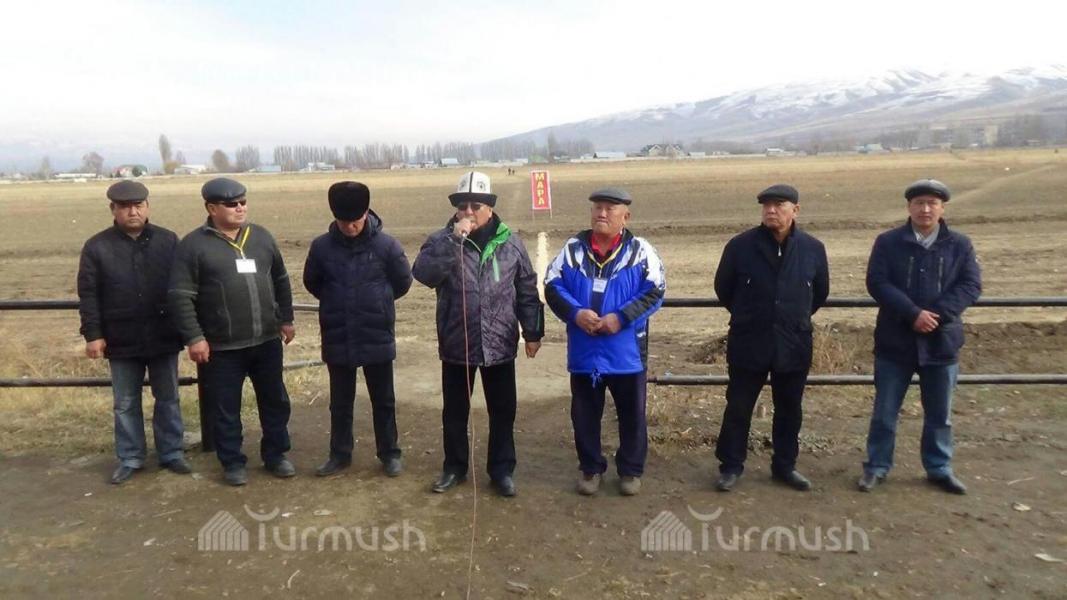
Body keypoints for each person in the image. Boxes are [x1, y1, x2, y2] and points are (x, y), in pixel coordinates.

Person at [412, 171, 544, 497]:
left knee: (503, 411)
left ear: (489, 208)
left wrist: (532, 331)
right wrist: (453, 241)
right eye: (463, 206)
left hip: (500, 343)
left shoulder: (510, 243)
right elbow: (424, 274)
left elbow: (527, 289)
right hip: (457, 343)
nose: (468, 212)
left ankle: (501, 471)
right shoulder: (441, 240)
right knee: (455, 413)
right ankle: (454, 467)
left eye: (476, 206)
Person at [168, 177, 296, 486]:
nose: (240, 208)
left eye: (243, 202)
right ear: (211, 208)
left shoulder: (261, 237)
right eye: (231, 204)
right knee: (225, 408)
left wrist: (286, 318)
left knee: (275, 401)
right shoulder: (193, 246)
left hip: (266, 340)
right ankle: (232, 462)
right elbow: (180, 295)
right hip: (222, 347)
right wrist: (195, 337)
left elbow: (280, 279)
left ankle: (276, 455)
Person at [859, 179, 981, 495]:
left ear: (942, 208)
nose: (925, 209)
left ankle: (939, 468)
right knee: (885, 413)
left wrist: (936, 315)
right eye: (919, 203)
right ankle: (876, 466)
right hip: (895, 342)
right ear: (909, 207)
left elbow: (970, 285)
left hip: (941, 342)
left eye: (932, 203)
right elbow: (877, 282)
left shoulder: (960, 245)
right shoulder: (888, 242)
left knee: (940, 415)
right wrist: (912, 313)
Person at [544, 187, 665, 496]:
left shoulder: (641, 251)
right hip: (585, 353)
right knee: (584, 414)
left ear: (626, 216)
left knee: (632, 415)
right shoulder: (572, 250)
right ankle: (590, 468)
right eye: (597, 207)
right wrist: (576, 313)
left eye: (610, 208)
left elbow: (655, 290)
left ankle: (630, 470)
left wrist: (620, 318)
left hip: (627, 355)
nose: (602, 213)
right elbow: (552, 285)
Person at [713, 184, 829, 492]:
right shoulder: (740, 246)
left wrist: (789, 318)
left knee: (789, 408)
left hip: (793, 343)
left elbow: (819, 293)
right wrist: (752, 315)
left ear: (796, 210)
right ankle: (731, 466)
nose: (771, 211)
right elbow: (724, 288)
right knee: (738, 407)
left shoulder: (812, 249)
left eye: (779, 205)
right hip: (749, 341)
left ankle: (785, 466)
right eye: (766, 206)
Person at [77, 180, 188, 485]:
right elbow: (88, 294)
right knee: (125, 402)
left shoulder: (168, 241)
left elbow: (182, 287)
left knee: (168, 397)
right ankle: (130, 457)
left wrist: (189, 330)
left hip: (163, 334)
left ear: (147, 207)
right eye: (125, 207)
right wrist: (93, 334)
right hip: (120, 336)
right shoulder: (97, 247)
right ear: (113, 209)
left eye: (138, 205)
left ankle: (172, 453)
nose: (133, 212)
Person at [303, 182, 412, 478]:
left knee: (384, 400)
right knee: (340, 402)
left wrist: (378, 301)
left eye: (356, 220)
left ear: (366, 213)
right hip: (338, 332)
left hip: (376, 331)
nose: (350, 227)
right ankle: (339, 454)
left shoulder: (387, 246)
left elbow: (402, 282)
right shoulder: (321, 247)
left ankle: (389, 453)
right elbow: (312, 282)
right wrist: (337, 301)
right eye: (343, 221)